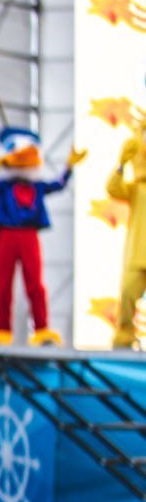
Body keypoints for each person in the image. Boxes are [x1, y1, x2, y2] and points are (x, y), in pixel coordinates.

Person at [0, 126, 84, 347]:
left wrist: (69, 167)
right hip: (6, 235)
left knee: (35, 283)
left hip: (29, 236)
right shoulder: (4, 186)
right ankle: (3, 331)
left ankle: (42, 329)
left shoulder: (38, 186)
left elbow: (59, 184)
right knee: (3, 284)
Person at [105, 131, 146, 349]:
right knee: (128, 294)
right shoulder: (137, 189)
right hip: (137, 255)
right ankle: (124, 336)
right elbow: (113, 188)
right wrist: (121, 164)